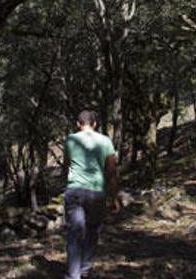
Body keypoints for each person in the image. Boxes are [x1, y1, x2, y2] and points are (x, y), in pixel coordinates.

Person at [63, 109, 120, 279]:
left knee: (74, 234)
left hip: (74, 191)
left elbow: (66, 165)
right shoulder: (105, 141)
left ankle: (74, 275)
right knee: (92, 231)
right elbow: (111, 171)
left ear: (78, 124)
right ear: (95, 124)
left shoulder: (71, 140)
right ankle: (85, 268)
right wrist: (114, 197)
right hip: (97, 193)